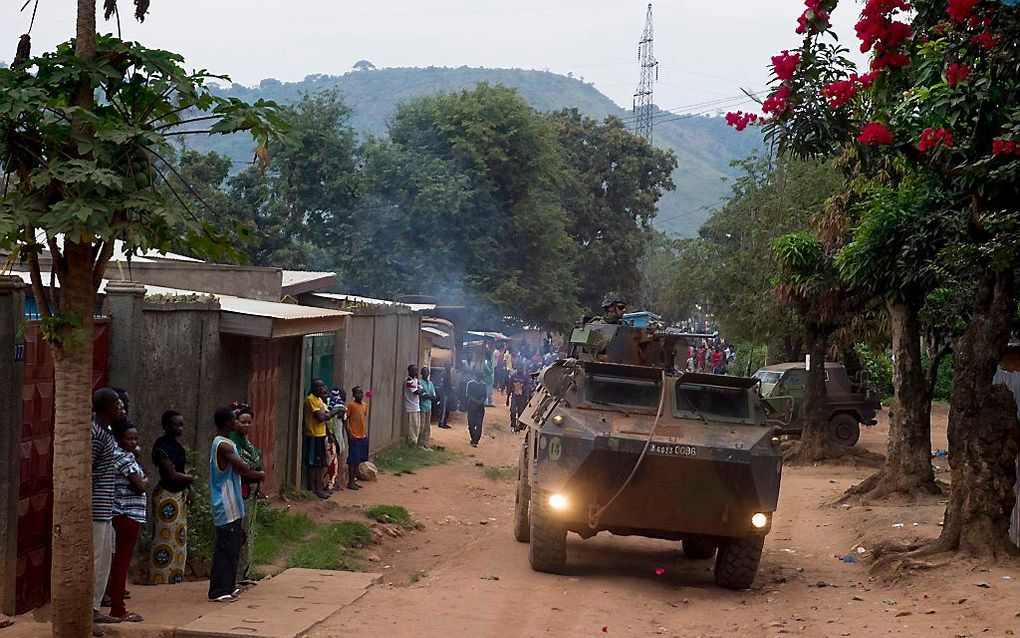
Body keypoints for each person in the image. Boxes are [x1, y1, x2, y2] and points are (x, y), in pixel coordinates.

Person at [208, 407, 265, 602]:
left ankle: (229, 586)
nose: (237, 422)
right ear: (226, 423)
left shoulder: (225, 442)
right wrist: (259, 475)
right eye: (234, 419)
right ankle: (218, 591)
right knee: (225, 548)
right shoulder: (224, 445)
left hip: (232, 502)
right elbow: (243, 467)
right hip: (225, 502)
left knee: (233, 547)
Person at [92, 388, 124, 634]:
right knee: (95, 560)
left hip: (106, 508)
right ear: (106, 407)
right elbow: (87, 472)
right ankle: (87, 612)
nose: (121, 407)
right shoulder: (95, 433)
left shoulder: (108, 432)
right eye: (117, 404)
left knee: (103, 562)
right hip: (95, 509)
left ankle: (94, 608)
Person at [108, 418, 147, 623]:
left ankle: (116, 604)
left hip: (125, 513)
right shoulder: (122, 458)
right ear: (118, 438)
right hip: (126, 513)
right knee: (122, 562)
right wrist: (144, 481)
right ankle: (117, 608)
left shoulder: (124, 456)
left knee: (120, 561)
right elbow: (140, 485)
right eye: (128, 438)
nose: (133, 442)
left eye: (135, 438)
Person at [150, 410, 195, 585]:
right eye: (176, 424)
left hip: (179, 495)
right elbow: (172, 475)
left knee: (179, 539)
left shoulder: (177, 446)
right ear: (166, 426)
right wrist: (191, 479)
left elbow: (181, 473)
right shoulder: (161, 447)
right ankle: (160, 577)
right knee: (164, 537)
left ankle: (175, 576)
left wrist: (190, 488)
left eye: (182, 424)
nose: (180, 428)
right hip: (166, 496)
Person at [228, 402, 264, 585]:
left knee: (247, 533)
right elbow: (243, 468)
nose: (247, 426)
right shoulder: (232, 443)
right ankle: (236, 575)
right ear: (235, 422)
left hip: (251, 493)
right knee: (240, 533)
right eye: (243, 422)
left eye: (250, 422)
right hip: (239, 492)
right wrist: (260, 474)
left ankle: (244, 573)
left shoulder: (247, 443)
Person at [304, 379, 341, 499]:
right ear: (314, 388)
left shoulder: (320, 400)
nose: (322, 389)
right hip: (313, 435)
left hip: (321, 435)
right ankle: (312, 489)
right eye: (319, 387)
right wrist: (335, 411)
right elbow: (321, 417)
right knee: (312, 463)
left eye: (323, 386)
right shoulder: (311, 399)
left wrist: (329, 432)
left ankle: (318, 488)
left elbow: (326, 414)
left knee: (320, 463)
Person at [346, 386, 370, 490]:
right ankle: (350, 481)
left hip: (363, 436)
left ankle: (354, 480)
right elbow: (346, 419)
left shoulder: (365, 405)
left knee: (359, 460)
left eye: (361, 393)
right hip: (354, 436)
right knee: (353, 460)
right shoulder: (351, 405)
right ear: (353, 395)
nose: (359, 395)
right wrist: (349, 433)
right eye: (357, 393)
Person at [325, 388, 348, 492]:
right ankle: (330, 483)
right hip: (331, 437)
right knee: (331, 461)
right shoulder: (336, 407)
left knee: (334, 461)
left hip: (336, 438)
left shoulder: (340, 407)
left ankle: (334, 482)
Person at [508, 364, 534, 432]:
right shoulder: (513, 377)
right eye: (519, 368)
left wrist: (527, 398)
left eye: (521, 368)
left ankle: (519, 426)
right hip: (514, 396)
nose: (520, 369)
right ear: (517, 369)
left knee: (520, 412)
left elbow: (528, 388)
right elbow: (510, 387)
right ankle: (513, 425)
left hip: (522, 397)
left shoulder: (525, 378)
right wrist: (507, 398)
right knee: (513, 411)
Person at [403, 364, 424, 447]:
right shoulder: (408, 381)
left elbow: (422, 389)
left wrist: (420, 390)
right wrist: (420, 390)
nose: (415, 372)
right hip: (410, 406)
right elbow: (417, 392)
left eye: (416, 370)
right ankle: (412, 442)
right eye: (414, 370)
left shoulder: (416, 380)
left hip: (416, 406)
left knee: (417, 425)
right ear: (409, 371)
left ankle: (415, 441)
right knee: (412, 426)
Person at [465, 374, 487, 447]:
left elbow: (484, 396)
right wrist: (479, 402)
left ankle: (475, 440)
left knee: (477, 424)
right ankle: (474, 439)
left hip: (476, 407)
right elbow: (468, 395)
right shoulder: (471, 384)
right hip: (474, 407)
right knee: (473, 424)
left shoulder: (482, 385)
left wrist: (477, 402)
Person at [418, 367, 437, 450]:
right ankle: (420, 444)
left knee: (427, 426)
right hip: (422, 406)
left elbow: (434, 396)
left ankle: (426, 443)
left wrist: (428, 396)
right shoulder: (419, 382)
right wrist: (429, 396)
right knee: (421, 426)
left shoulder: (430, 383)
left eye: (427, 372)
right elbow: (423, 396)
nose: (426, 373)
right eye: (425, 372)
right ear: (421, 373)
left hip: (429, 407)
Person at [436, 363, 454, 429]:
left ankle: (444, 423)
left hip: (448, 393)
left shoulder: (448, 373)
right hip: (445, 394)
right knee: (444, 408)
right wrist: (444, 393)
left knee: (447, 409)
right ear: (445, 366)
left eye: (450, 366)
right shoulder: (444, 374)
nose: (450, 367)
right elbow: (442, 384)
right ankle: (441, 423)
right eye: (448, 366)